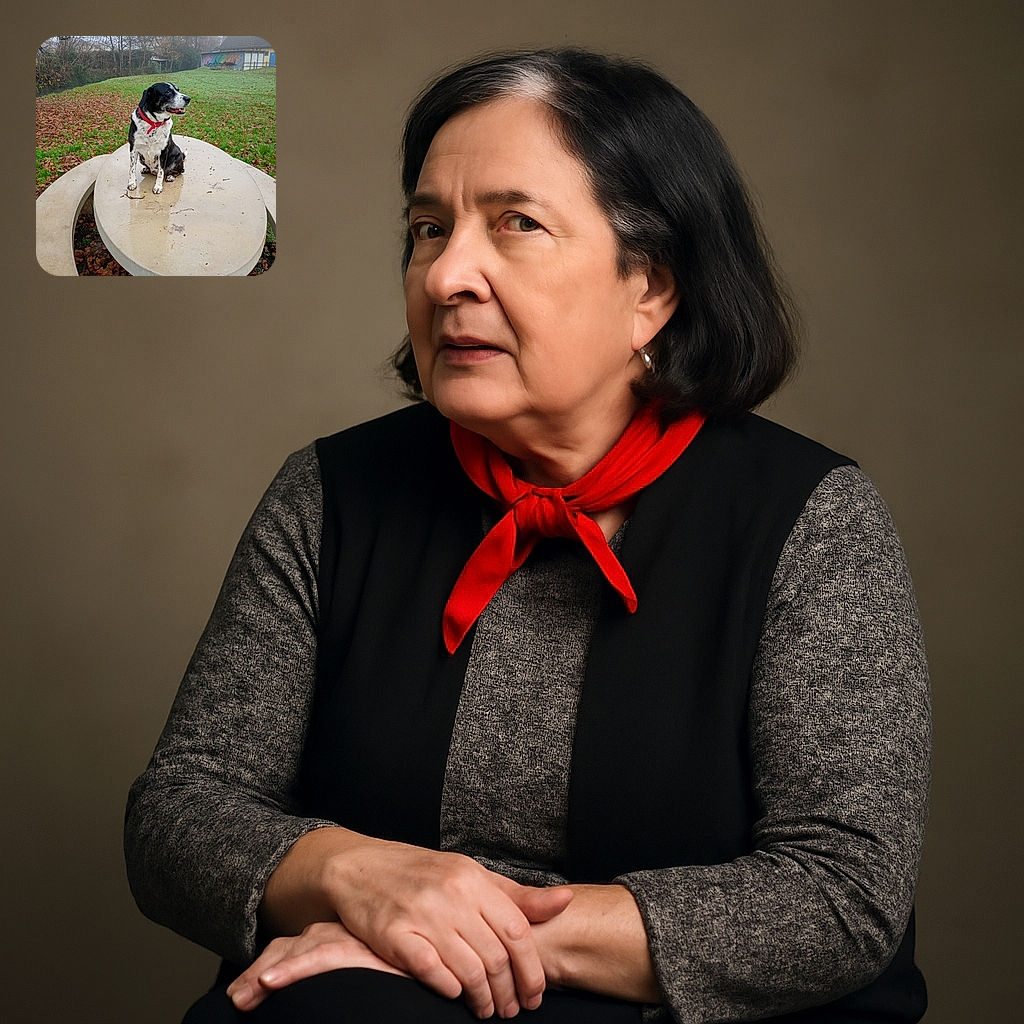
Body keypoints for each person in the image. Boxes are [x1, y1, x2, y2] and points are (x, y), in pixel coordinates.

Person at [125, 48, 930, 1024]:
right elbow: (178, 814)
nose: (447, 273)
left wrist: (428, 942)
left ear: (653, 287)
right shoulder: (331, 492)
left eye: (517, 224)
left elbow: (841, 899)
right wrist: (355, 874)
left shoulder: (811, 515)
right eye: (428, 229)